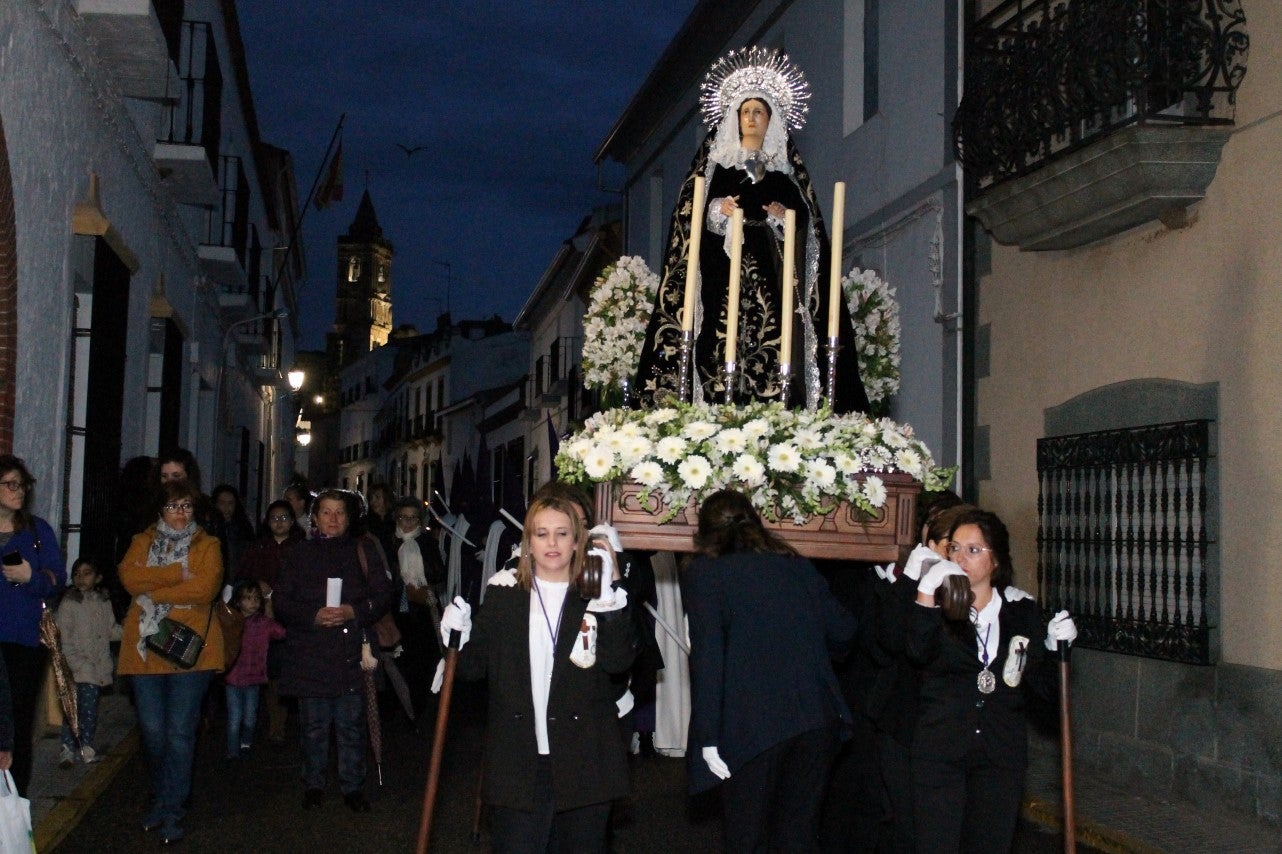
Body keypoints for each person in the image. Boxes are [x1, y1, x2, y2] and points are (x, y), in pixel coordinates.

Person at [633, 46, 870, 414]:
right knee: (717, 332)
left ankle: (777, 402)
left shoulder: (784, 177)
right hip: (722, 272)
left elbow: (808, 233)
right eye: (746, 111)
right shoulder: (716, 169)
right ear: (735, 117)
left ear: (771, 120)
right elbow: (688, 217)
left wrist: (781, 219)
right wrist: (718, 210)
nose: (752, 118)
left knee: (775, 335)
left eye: (759, 111)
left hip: (770, 277)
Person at [440, 494, 637, 853]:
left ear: (578, 540)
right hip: (519, 759)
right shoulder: (505, 596)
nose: (552, 543)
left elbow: (618, 662)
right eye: (542, 533)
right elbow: (471, 669)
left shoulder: (594, 596)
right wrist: (455, 636)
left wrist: (609, 603)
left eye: (562, 534)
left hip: (585, 761)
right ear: (528, 541)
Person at [682, 488, 855, 851]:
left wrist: (707, 738)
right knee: (799, 835)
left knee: (748, 837)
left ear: (704, 531)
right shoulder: (794, 562)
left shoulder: (706, 573)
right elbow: (843, 630)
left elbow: (709, 660)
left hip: (750, 726)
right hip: (814, 719)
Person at [908, 508, 1078, 853]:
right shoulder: (937, 610)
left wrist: (1055, 649)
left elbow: (1045, 692)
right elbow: (916, 652)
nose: (960, 558)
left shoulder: (1020, 612)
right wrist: (925, 593)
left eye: (973, 550)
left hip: (1000, 756)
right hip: (941, 753)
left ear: (996, 560)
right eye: (954, 548)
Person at [117, 479, 225, 845]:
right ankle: (163, 797)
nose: (181, 513)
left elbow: (205, 589)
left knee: (179, 732)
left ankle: (172, 809)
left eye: (187, 506)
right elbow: (129, 578)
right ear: (160, 510)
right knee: (153, 732)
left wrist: (152, 586)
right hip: (145, 650)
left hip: (189, 652)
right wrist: (176, 574)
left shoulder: (209, 545)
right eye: (174, 506)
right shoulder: (141, 541)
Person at [274, 489, 393, 813]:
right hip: (310, 652)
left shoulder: (363, 549)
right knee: (313, 725)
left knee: (351, 724)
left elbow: (383, 594)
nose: (333, 519)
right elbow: (282, 600)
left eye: (339, 512)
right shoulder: (299, 554)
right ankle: (313, 784)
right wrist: (312, 615)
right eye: (326, 512)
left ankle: (352, 787)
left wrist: (354, 611)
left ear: (349, 517)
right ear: (314, 517)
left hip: (351, 650)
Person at [0, 454, 67, 796]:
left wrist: (32, 577)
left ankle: (15, 804)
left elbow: (57, 580)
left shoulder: (37, 531)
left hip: (22, 643)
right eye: (10, 484)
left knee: (16, 729)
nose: (19, 491)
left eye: (22, 484)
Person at [239, 500, 305, 741]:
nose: (279, 522)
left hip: (292, 617)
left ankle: (283, 721)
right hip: (258, 618)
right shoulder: (258, 547)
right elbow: (242, 577)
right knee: (266, 667)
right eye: (275, 518)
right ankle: (264, 720)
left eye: (284, 517)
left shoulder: (300, 547)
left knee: (287, 668)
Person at [55, 558, 120, 768]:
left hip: (96, 666)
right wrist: (75, 663)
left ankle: (86, 747)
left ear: (97, 577)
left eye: (87, 573)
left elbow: (110, 631)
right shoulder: (69, 604)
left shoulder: (103, 602)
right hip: (76, 666)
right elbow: (64, 638)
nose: (82, 578)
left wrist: (133, 631)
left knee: (89, 709)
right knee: (72, 709)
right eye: (77, 574)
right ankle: (67, 748)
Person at [391, 496, 445, 717]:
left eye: (413, 518)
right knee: (402, 662)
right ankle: (407, 709)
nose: (408, 522)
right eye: (404, 517)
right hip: (398, 610)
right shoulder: (392, 542)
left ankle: (423, 709)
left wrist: (420, 581)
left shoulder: (427, 543)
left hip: (423, 610)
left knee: (424, 662)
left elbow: (437, 573)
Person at [223, 578, 284, 759]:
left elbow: (280, 632)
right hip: (232, 678)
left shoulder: (264, 623)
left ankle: (246, 743)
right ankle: (233, 752)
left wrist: (270, 601)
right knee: (234, 718)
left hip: (254, 678)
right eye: (248, 598)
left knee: (250, 717)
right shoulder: (232, 620)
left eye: (257, 599)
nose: (253, 602)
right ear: (239, 600)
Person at [210, 484, 255, 584]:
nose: (226, 508)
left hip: (238, 582)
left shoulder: (243, 529)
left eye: (230, 503)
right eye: (222, 503)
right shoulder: (209, 529)